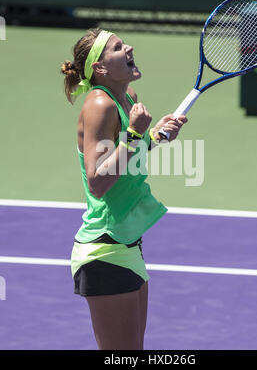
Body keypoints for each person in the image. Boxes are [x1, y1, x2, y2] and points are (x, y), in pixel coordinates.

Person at [61, 28, 187, 350]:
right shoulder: (99, 104)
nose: (128, 47)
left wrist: (154, 136)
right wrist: (133, 134)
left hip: (128, 244)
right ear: (100, 69)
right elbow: (98, 181)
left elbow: (126, 161)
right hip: (105, 250)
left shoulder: (127, 98)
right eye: (117, 47)